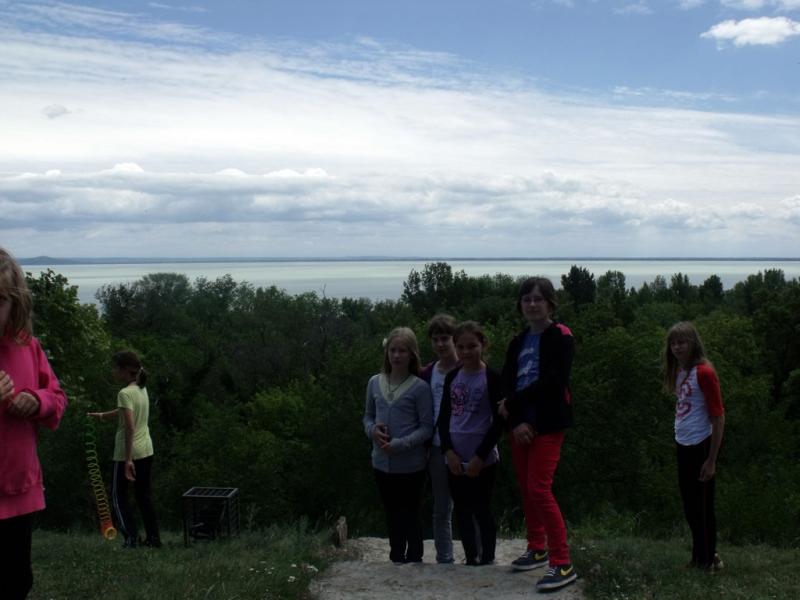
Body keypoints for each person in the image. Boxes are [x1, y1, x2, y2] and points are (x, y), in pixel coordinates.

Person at [499, 276, 577, 592]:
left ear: (550, 303)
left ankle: (562, 562)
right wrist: (516, 419)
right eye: (527, 299)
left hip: (548, 423)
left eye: (538, 299)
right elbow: (506, 382)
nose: (532, 304)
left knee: (539, 489)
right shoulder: (517, 341)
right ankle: (537, 547)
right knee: (527, 489)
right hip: (519, 425)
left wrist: (514, 405)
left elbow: (555, 382)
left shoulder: (561, 336)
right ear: (520, 305)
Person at [0, 247, 68, 600]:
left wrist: (37, 401)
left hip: (18, 489)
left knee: (16, 580)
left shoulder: (28, 347)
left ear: (15, 304)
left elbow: (57, 398)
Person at [363, 327, 433, 564]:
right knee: (391, 512)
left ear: (412, 354)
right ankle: (396, 557)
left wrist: (401, 444)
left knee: (411, 513)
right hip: (381, 462)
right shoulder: (374, 382)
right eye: (392, 350)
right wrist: (373, 431)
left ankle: (414, 558)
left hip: (411, 464)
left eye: (402, 350)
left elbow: (427, 427)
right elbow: (367, 416)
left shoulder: (420, 387)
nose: (396, 355)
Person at [438, 321, 503, 566]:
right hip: (455, 456)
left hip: (482, 457)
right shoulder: (452, 377)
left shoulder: (492, 378)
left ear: (482, 345)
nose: (466, 352)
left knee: (482, 509)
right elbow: (443, 418)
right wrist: (448, 451)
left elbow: (499, 423)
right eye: (461, 347)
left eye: (472, 346)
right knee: (462, 510)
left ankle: (487, 558)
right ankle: (470, 558)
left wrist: (480, 456)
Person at [664, 321, 725, 571]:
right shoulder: (681, 372)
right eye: (673, 343)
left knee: (703, 507)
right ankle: (702, 555)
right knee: (690, 505)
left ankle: (707, 561)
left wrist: (711, 460)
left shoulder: (704, 373)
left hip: (701, 444)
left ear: (693, 343)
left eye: (682, 342)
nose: (677, 347)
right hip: (684, 443)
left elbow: (718, 416)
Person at [88, 351, 161, 549]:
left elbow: (129, 426)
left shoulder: (124, 393)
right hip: (146, 450)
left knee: (117, 496)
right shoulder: (141, 388)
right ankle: (154, 539)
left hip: (125, 454)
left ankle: (131, 539)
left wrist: (128, 460)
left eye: (115, 368)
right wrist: (102, 416)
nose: (113, 371)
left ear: (124, 370)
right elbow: (125, 411)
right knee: (143, 495)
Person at [419, 313, 459, 564]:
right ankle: (445, 558)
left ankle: (478, 556)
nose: (441, 344)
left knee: (471, 505)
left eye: (445, 338)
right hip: (436, 447)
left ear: (455, 338)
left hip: (465, 446)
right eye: (435, 339)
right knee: (441, 508)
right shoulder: (428, 372)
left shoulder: (468, 368)